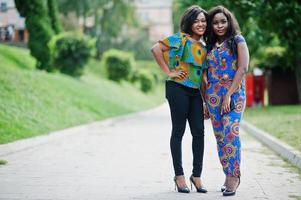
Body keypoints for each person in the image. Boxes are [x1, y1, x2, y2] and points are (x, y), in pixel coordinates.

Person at [151, 5, 208, 194]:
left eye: (203, 20)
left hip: (195, 93)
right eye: (197, 20)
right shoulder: (180, 38)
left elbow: (202, 77)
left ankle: (196, 175)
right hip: (177, 89)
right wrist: (169, 72)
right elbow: (155, 49)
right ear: (189, 22)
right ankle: (179, 176)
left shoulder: (205, 46)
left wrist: (206, 101)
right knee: (179, 131)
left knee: (199, 132)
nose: (200, 24)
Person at [204, 5, 249, 196]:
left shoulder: (238, 40)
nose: (219, 25)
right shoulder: (209, 45)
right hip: (212, 97)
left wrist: (229, 94)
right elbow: (204, 76)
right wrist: (204, 102)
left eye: (223, 21)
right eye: (215, 23)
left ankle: (234, 176)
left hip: (234, 94)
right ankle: (227, 174)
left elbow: (243, 68)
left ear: (229, 21)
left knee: (231, 131)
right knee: (221, 138)